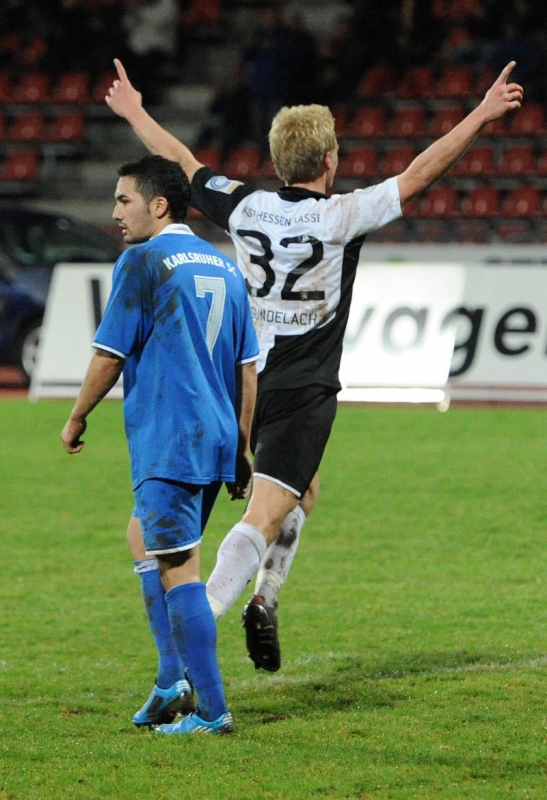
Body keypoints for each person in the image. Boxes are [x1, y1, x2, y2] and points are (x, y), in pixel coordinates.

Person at [104, 57, 522, 676]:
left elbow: (185, 162)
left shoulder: (244, 207)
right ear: (330, 161)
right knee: (264, 514)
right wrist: (482, 115)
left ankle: (265, 598)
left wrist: (136, 112)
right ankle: (200, 632)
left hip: (239, 381)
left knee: (305, 493)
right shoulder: (342, 216)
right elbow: (419, 172)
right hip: (303, 386)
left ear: (278, 163)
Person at [61, 154, 259, 735]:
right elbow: (248, 369)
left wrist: (76, 416)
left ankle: (212, 710)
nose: (115, 212)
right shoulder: (224, 266)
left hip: (173, 437)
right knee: (142, 536)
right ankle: (172, 678)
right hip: (217, 434)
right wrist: (241, 447)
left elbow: (109, 355)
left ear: (158, 204)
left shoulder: (144, 261)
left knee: (179, 567)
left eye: (124, 200)